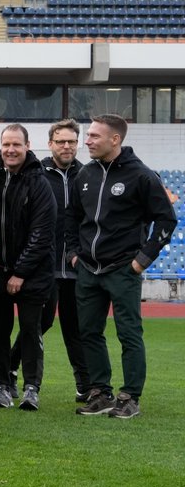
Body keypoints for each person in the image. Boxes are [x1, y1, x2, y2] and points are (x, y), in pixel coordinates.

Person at [69, 114, 177, 420]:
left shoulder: (142, 175)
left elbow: (166, 220)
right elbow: (71, 218)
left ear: (114, 139)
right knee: (89, 332)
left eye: (93, 136)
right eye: (87, 135)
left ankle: (130, 397)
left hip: (123, 269)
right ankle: (100, 393)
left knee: (129, 334)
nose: (86, 141)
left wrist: (142, 259)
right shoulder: (86, 174)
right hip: (88, 269)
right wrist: (74, 254)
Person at [0, 124, 56, 411]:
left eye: (16, 145)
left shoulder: (39, 182)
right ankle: (0, 386)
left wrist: (20, 272)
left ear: (27, 146)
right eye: (6, 144)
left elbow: (42, 233)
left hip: (33, 272)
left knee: (30, 329)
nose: (11, 150)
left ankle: (31, 388)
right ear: (0, 146)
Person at [37, 119, 90, 401]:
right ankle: (11, 366)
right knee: (41, 323)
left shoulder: (88, 174)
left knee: (75, 327)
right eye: (61, 141)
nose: (66, 146)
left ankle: (84, 384)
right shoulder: (37, 172)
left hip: (75, 267)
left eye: (71, 141)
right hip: (43, 266)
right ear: (51, 144)